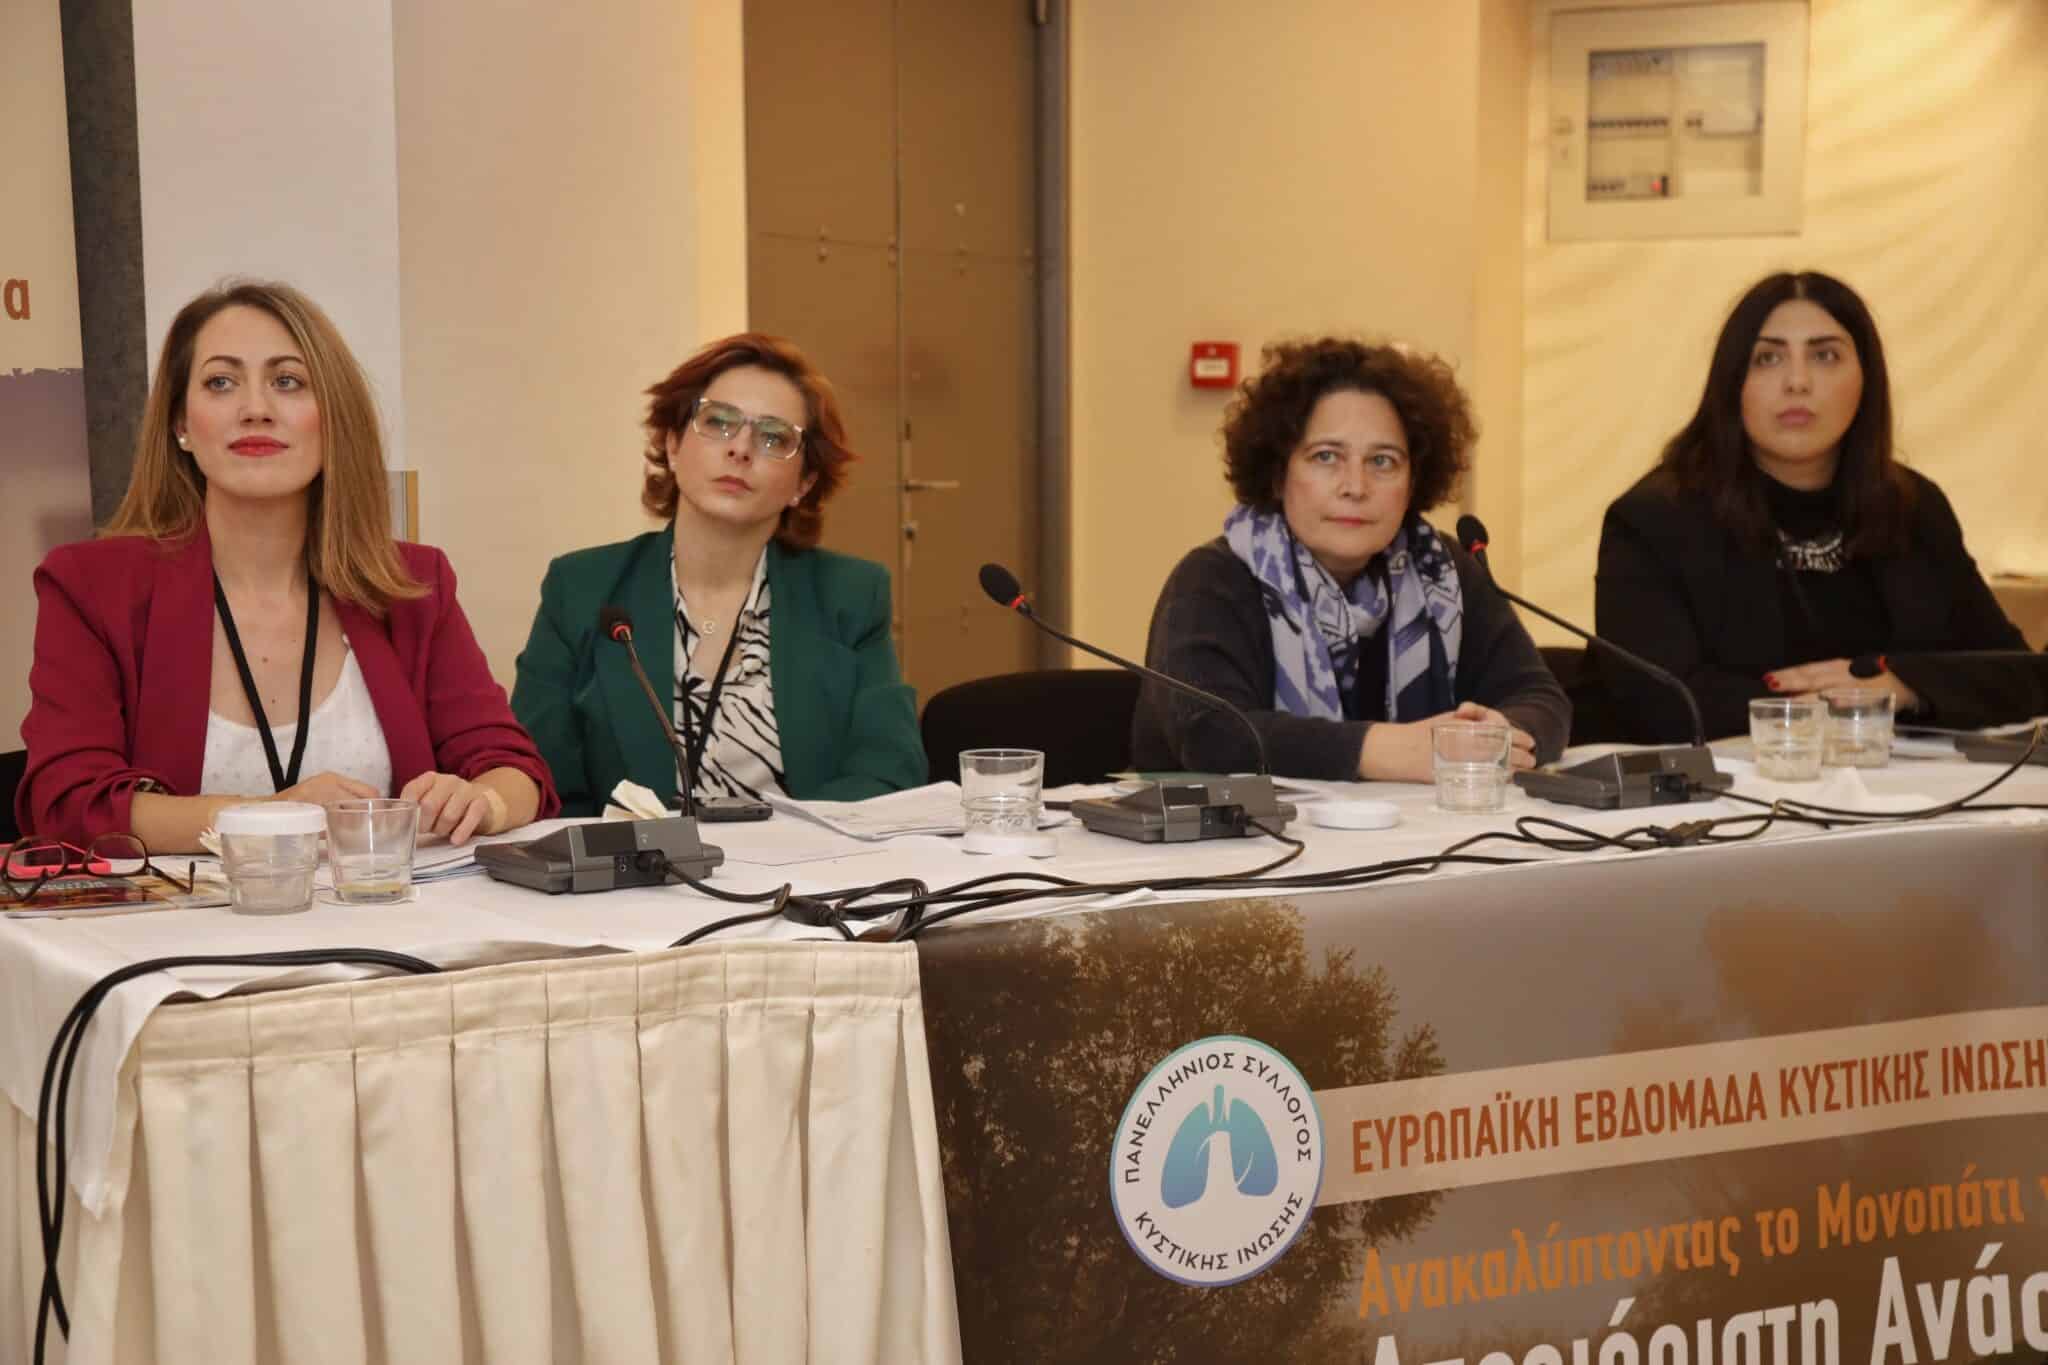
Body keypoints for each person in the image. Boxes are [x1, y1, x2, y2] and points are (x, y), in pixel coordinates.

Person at [18, 281, 556, 850]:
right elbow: (67, 803)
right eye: (221, 382)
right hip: (180, 910)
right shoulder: (92, 586)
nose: (256, 409)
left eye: (287, 382)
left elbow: (515, 770)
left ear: (332, 418)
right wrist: (268, 817)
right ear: (181, 424)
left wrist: (484, 802)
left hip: (384, 906)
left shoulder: (413, 585)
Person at [1595, 270, 2041, 742]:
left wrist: (1907, 687)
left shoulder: (1913, 508)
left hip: (1911, 783)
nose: (1797, 381)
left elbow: (2023, 676)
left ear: (1867, 378)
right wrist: (1845, 707)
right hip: (1737, 784)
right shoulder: (1654, 519)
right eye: (1767, 358)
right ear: (1731, 382)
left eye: (1825, 356)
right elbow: (1657, 705)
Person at [512, 333, 924, 816]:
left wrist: (775, 845)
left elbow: (889, 773)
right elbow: (540, 780)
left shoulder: (850, 596)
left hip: (803, 860)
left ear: (804, 483)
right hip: (632, 864)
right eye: (719, 422)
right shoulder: (582, 588)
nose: (741, 449)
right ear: (672, 445)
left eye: (773, 438)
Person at [1129, 337, 1570, 781]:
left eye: (1382, 461)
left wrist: (1500, 734)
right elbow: (1213, 735)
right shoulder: (1213, 579)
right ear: (1279, 474)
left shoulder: (1441, 570)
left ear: (1413, 482)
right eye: (1326, 457)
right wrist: (1387, 749)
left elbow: (1541, 698)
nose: (1355, 486)